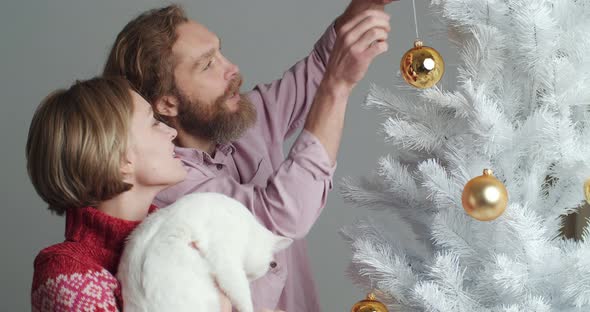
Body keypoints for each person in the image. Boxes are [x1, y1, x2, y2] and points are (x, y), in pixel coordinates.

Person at [103, 1, 394, 311]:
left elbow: (320, 67)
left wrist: (364, 7)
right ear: (167, 104)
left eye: (220, 52)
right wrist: (337, 87)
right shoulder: (166, 186)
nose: (232, 69)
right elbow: (279, 217)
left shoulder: (238, 120)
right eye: (207, 64)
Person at [27, 76, 272, 312]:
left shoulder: (184, 239)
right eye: (154, 123)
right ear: (121, 160)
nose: (171, 132)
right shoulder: (65, 273)